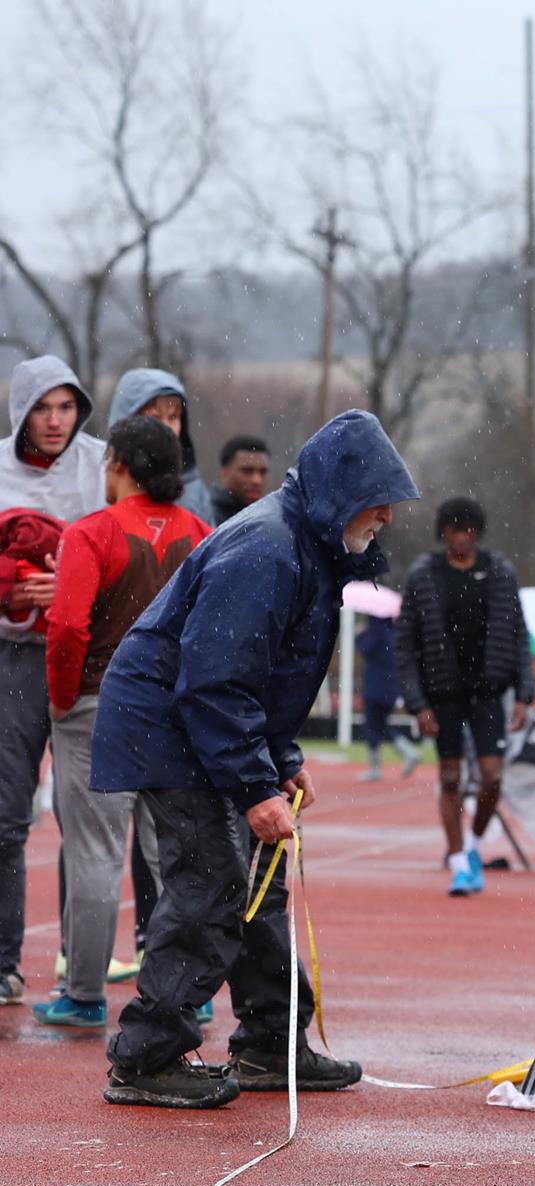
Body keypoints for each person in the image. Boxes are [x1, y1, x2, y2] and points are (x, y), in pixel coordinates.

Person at [91, 409, 418, 1109]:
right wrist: (253, 783)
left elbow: (271, 672)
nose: (388, 514)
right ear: (340, 490)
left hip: (200, 722)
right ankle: (146, 1057)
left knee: (262, 881)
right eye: (378, 498)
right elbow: (214, 681)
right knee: (210, 883)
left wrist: (278, 759)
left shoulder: (309, 545)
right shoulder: (267, 548)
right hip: (168, 726)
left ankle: (272, 1039)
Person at [35, 416, 210, 1028]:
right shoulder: (203, 534)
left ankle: (84, 995)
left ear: (119, 464)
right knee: (175, 855)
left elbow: (66, 627)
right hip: (177, 712)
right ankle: (190, 988)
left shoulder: (92, 533)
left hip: (97, 705)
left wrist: (61, 699)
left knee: (96, 854)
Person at [0, 356, 106, 1006]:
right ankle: (4, 961)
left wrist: (68, 583)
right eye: (43, 407)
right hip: (12, 659)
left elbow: (120, 552)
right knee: (8, 818)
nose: (54, 421)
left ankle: (80, 965)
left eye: (66, 407)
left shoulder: (100, 463)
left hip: (85, 658)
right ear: (22, 410)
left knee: (83, 818)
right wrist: (11, 585)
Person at [396, 497, 533, 897]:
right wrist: (417, 702)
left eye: (469, 530)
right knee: (451, 776)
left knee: (492, 775)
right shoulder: (425, 575)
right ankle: (458, 861)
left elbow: (519, 635)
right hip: (443, 692)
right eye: (455, 530)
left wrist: (525, 693)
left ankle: (473, 843)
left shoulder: (498, 572)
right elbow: (405, 645)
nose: (462, 538)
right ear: (444, 532)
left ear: (477, 532)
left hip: (488, 689)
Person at [107, 368, 215, 525]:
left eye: (173, 417)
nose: (166, 428)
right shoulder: (96, 476)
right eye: (154, 418)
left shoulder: (193, 490)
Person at [356, 612, 419, 782]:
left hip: (376, 687)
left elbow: (366, 647)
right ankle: (407, 751)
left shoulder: (377, 629)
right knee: (380, 725)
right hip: (389, 688)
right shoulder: (393, 631)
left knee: (374, 725)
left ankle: (377, 767)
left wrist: (360, 634)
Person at [211, 435, 271, 524]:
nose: (257, 480)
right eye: (247, 471)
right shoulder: (207, 517)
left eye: (263, 472)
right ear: (224, 473)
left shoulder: (271, 519)